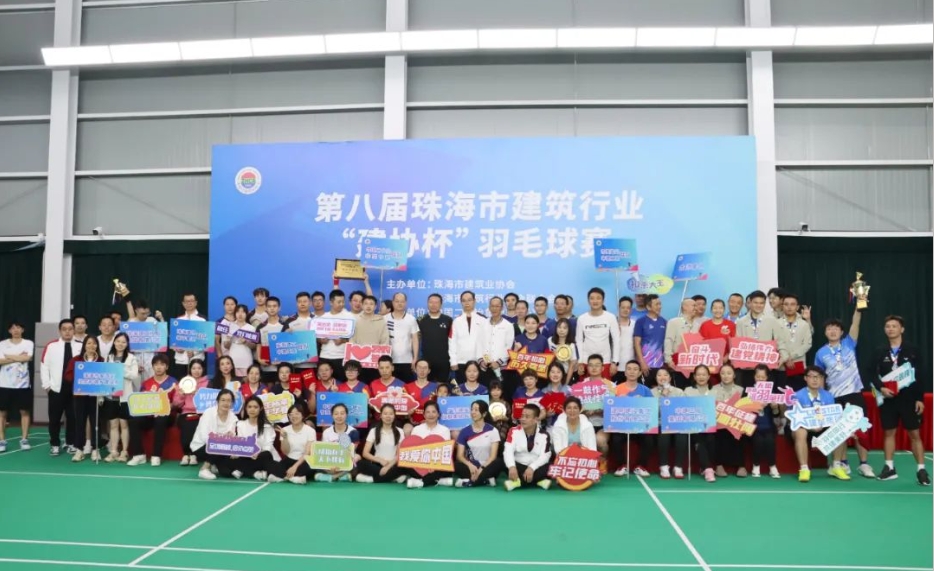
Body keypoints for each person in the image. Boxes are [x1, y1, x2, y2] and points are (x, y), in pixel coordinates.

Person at [813, 300, 874, 480]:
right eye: (829, 328)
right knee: (840, 430)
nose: (832, 331)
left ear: (841, 332)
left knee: (860, 430)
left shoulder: (849, 343)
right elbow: (819, 378)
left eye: (836, 328)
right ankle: (843, 463)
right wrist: (820, 399)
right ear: (825, 332)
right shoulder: (820, 353)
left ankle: (864, 464)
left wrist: (858, 308)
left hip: (854, 393)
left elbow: (856, 324)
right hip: (834, 396)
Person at [871, 315, 929, 485]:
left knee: (914, 434)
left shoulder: (913, 350)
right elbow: (870, 372)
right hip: (888, 399)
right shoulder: (880, 351)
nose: (890, 329)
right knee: (889, 432)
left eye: (894, 326)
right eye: (888, 326)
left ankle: (921, 470)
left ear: (901, 329)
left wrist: (920, 398)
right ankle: (889, 468)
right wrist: (881, 387)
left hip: (909, 399)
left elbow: (920, 375)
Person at [41, 319, 83, 456]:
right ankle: (54, 444)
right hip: (56, 389)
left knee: (73, 418)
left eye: (70, 329)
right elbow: (44, 366)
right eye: (64, 329)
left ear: (74, 330)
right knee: (54, 419)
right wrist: (47, 386)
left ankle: (70, 443)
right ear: (60, 331)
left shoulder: (80, 346)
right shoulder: (51, 346)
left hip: (75, 390)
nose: (67, 332)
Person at [127, 354, 177, 467]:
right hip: (149, 416)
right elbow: (141, 403)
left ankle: (156, 455)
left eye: (162, 364)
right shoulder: (146, 383)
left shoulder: (173, 383)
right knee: (134, 421)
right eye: (156, 364)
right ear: (152, 367)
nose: (159, 367)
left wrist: (168, 405)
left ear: (167, 367)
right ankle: (139, 455)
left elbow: (178, 403)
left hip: (166, 415)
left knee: (160, 419)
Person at [735, 290, 790, 388]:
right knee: (749, 396)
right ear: (750, 303)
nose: (758, 305)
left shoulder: (772, 320)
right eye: (755, 302)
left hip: (767, 369)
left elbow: (780, 342)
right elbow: (737, 344)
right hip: (748, 369)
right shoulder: (741, 322)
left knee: (767, 396)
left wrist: (783, 358)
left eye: (762, 303)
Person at [63, 336, 104, 462]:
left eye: (94, 343)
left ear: (97, 346)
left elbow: (106, 376)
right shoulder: (76, 360)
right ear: (84, 345)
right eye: (89, 343)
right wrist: (81, 375)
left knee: (96, 423)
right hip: (80, 396)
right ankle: (79, 449)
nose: (91, 346)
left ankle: (95, 449)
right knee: (79, 422)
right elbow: (68, 375)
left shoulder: (101, 360)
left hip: (95, 397)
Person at [792, 367, 836, 483]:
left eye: (818, 377)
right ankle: (804, 469)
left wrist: (823, 424)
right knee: (800, 432)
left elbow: (832, 417)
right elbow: (793, 418)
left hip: (822, 426)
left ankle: (836, 466)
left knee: (839, 428)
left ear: (822, 379)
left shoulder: (828, 396)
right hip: (804, 427)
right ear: (805, 378)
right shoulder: (797, 395)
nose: (815, 380)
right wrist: (810, 427)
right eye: (812, 376)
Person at [613, 360, 654, 477]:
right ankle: (622, 465)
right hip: (622, 426)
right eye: (629, 369)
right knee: (615, 438)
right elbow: (610, 408)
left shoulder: (645, 390)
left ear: (640, 373)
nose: (632, 372)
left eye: (635, 369)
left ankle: (640, 466)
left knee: (649, 438)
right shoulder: (616, 389)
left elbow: (652, 408)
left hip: (640, 427)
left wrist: (642, 403)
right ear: (625, 372)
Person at [103, 332, 139, 463]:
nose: (120, 344)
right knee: (113, 424)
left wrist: (119, 369)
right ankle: (113, 451)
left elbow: (134, 375)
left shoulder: (131, 358)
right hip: (111, 396)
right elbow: (105, 375)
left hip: (125, 396)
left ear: (127, 344)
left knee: (124, 424)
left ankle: (124, 451)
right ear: (114, 342)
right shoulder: (109, 357)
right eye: (118, 341)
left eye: (123, 342)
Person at [0, 320, 34, 453]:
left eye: (18, 327)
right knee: (2, 413)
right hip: (4, 384)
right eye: (13, 328)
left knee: (24, 412)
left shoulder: (28, 343)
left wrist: (8, 357)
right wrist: (18, 357)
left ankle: (24, 439)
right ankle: (2, 440)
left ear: (22, 330)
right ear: (9, 330)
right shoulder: (2, 344)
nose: (16, 330)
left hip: (23, 384)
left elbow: (27, 358)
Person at [191, 389, 239, 480]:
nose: (226, 403)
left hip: (223, 448)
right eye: (223, 400)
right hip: (202, 446)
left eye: (229, 401)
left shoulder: (233, 417)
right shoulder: (208, 413)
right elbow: (205, 436)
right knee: (219, 444)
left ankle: (214, 464)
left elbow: (232, 436)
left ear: (232, 403)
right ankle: (204, 468)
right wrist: (221, 439)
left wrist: (229, 440)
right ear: (218, 401)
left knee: (226, 472)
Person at [503, 403, 553, 491]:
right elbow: (508, 450)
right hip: (519, 466)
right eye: (522, 416)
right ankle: (539, 481)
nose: (523, 419)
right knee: (502, 462)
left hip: (536, 467)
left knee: (553, 466)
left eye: (527, 417)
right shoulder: (513, 431)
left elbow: (545, 456)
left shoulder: (544, 435)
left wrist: (532, 467)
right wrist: (511, 467)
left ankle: (518, 482)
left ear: (536, 419)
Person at [228, 396, 279, 481]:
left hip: (261, 457)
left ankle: (243, 470)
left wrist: (257, 453)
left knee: (266, 455)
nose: (252, 409)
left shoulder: (267, 426)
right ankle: (254, 473)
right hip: (246, 456)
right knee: (229, 458)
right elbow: (239, 444)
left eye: (255, 407)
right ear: (246, 408)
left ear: (261, 409)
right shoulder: (239, 424)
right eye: (249, 407)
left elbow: (268, 446)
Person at [454, 400, 503, 487]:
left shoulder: (493, 430)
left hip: (487, 465)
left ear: (484, 414)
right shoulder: (464, 431)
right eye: (472, 409)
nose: (473, 412)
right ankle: (485, 481)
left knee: (499, 462)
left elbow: (493, 456)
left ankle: (470, 481)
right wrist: (470, 465)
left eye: (476, 410)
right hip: (471, 466)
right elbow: (459, 456)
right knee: (456, 465)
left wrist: (482, 468)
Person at [406, 401, 454, 488]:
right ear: (424, 415)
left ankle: (421, 482)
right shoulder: (417, 429)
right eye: (428, 412)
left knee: (450, 465)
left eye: (433, 412)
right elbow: (413, 451)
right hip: (420, 463)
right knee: (405, 464)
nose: (431, 415)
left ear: (438, 414)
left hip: (438, 464)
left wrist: (434, 465)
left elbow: (445, 453)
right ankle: (438, 480)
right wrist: (424, 465)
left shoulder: (445, 430)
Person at [171, 359, 210, 466]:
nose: (196, 371)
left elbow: (210, 402)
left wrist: (199, 394)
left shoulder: (208, 383)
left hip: (202, 413)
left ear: (203, 369)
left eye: (199, 368)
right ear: (190, 370)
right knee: (186, 424)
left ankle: (193, 455)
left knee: (195, 424)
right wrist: (181, 395)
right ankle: (186, 454)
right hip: (186, 412)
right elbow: (176, 404)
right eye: (194, 368)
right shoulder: (184, 382)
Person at [575, 287, 620, 380]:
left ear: (603, 300)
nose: (595, 301)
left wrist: (615, 362)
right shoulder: (582, 318)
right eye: (592, 298)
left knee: (605, 388)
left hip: (605, 361)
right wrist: (580, 361)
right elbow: (579, 340)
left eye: (598, 298)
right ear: (588, 301)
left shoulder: (610, 317)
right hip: (586, 361)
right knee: (586, 388)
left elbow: (616, 339)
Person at [650, 368, 687, 479]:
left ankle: (678, 467)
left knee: (682, 435)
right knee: (663, 434)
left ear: (670, 378)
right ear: (656, 378)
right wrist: (663, 397)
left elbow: (683, 409)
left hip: (677, 422)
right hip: (660, 422)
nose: (662, 377)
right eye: (659, 375)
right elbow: (653, 411)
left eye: (665, 375)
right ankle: (664, 466)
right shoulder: (651, 392)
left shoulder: (679, 392)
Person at [357, 404, 406, 483]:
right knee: (360, 464)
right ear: (381, 416)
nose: (388, 416)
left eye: (391, 414)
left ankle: (372, 479)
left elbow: (399, 454)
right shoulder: (374, 431)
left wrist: (388, 466)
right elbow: (365, 453)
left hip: (392, 464)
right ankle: (392, 477)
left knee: (405, 467)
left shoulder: (400, 431)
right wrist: (380, 460)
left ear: (394, 416)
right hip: (377, 464)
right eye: (385, 414)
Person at [268, 405, 317, 484]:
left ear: (302, 415)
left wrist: (294, 467)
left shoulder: (310, 431)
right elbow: (285, 452)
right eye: (291, 414)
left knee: (310, 467)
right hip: (289, 459)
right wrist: (285, 437)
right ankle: (294, 477)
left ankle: (285, 476)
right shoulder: (284, 430)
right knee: (272, 466)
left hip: (303, 460)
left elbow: (307, 453)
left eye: (297, 413)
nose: (294, 416)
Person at [685, 365, 717, 482]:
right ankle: (708, 469)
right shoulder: (688, 391)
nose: (701, 377)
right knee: (700, 440)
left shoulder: (715, 391)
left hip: (712, 425)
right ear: (694, 376)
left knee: (711, 439)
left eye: (704, 374)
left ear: (708, 376)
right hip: (694, 426)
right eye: (698, 374)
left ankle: (705, 467)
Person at [449, 291, 490, 386]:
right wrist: (453, 361)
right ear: (461, 303)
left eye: (469, 300)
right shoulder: (456, 321)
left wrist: (487, 360)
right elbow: (452, 342)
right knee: (462, 390)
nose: (467, 303)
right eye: (464, 301)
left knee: (480, 390)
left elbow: (488, 342)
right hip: (461, 362)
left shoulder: (483, 319)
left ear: (474, 301)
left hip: (480, 362)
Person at [712, 363, 745, 477]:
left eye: (729, 373)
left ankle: (741, 465)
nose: (726, 376)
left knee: (739, 431)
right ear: (719, 375)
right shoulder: (713, 389)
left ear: (734, 375)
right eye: (723, 373)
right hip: (719, 421)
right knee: (719, 432)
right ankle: (719, 465)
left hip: (735, 422)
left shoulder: (741, 390)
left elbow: (744, 409)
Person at [749, 364, 781, 479]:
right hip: (753, 426)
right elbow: (743, 411)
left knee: (769, 440)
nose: (760, 379)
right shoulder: (749, 392)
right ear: (754, 377)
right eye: (758, 377)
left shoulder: (772, 393)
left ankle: (772, 466)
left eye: (763, 377)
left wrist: (775, 408)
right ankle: (756, 465)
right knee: (758, 440)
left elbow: (776, 415)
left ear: (767, 378)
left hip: (768, 426)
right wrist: (754, 406)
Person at [317, 403, 361, 483]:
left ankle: (333, 477)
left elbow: (351, 452)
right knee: (315, 462)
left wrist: (340, 464)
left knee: (357, 457)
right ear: (332, 415)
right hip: (330, 462)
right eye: (336, 414)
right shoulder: (327, 432)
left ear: (346, 415)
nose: (339, 416)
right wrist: (331, 465)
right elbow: (324, 452)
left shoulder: (353, 432)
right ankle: (342, 476)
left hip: (346, 460)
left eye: (342, 413)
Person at [316, 290, 353, 381]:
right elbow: (316, 338)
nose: (341, 304)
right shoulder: (322, 318)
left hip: (341, 356)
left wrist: (343, 340)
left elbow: (354, 337)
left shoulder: (349, 317)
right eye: (339, 302)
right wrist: (321, 340)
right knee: (323, 383)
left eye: (343, 302)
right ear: (331, 302)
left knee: (341, 383)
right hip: (325, 356)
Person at [664, 298, 701, 389]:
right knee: (679, 390)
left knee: (691, 390)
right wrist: (668, 360)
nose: (696, 308)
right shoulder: (674, 322)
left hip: (692, 365)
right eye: (694, 305)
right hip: (677, 363)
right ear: (685, 307)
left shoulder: (697, 325)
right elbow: (669, 340)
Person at [418, 293, 453, 385]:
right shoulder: (420, 320)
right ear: (427, 303)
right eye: (431, 302)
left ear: (441, 304)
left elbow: (452, 340)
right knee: (426, 386)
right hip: (426, 361)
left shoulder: (448, 320)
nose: (433, 305)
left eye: (436, 302)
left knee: (442, 388)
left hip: (443, 361)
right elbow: (416, 339)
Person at [780, 293, 813, 392]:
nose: (789, 307)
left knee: (799, 396)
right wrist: (785, 358)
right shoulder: (776, 323)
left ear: (797, 307)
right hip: (780, 367)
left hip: (798, 367)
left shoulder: (804, 324)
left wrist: (790, 357)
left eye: (792, 304)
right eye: (786, 304)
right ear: (782, 306)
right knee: (781, 397)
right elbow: (775, 343)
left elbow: (807, 344)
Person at [171, 292, 206, 382]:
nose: (189, 303)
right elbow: (174, 340)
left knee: (197, 385)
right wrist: (176, 348)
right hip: (181, 360)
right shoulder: (178, 320)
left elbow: (205, 341)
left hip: (197, 360)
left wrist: (194, 352)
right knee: (182, 384)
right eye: (187, 301)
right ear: (183, 303)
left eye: (191, 301)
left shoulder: (202, 320)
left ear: (196, 303)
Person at [482, 296, 515, 391]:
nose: (494, 309)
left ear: (502, 308)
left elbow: (509, 347)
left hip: (501, 368)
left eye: (497, 306)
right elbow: (480, 343)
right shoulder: (483, 323)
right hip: (485, 366)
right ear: (489, 308)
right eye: (492, 306)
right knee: (486, 393)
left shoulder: (508, 325)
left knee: (501, 393)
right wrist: (482, 360)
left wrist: (498, 362)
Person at [386, 292, 419, 382]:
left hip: (407, 360)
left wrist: (415, 358)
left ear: (406, 303)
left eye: (402, 301)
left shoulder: (411, 319)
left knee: (406, 387)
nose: (399, 304)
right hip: (389, 361)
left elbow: (415, 339)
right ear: (393, 302)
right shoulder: (385, 318)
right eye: (397, 301)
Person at [633, 294, 667, 382]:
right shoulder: (640, 321)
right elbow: (637, 343)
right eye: (657, 304)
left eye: (660, 304)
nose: (660, 306)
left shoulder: (664, 321)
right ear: (648, 307)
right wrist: (642, 362)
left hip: (660, 365)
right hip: (645, 365)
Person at [256, 296, 287, 382]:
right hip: (266, 367)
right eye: (269, 306)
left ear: (279, 308)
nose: (272, 309)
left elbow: (288, 346)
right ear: (265, 308)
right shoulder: (260, 326)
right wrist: (259, 359)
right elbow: (259, 344)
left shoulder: (285, 325)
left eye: (274, 306)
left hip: (282, 368)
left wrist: (282, 360)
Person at [403, 359, 438, 433]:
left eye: (425, 368)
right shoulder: (406, 387)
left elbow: (440, 407)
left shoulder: (436, 387)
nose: (422, 370)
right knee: (407, 430)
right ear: (415, 370)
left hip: (431, 421)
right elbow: (404, 409)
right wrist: (408, 417)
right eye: (419, 367)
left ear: (429, 371)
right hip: (411, 422)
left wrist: (429, 420)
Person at [227, 304, 257, 377]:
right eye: (238, 312)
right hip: (233, 359)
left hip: (246, 360)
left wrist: (246, 342)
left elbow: (254, 346)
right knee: (233, 382)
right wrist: (228, 339)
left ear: (246, 314)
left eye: (243, 312)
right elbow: (226, 346)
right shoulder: (230, 326)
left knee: (246, 381)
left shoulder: (251, 328)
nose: (240, 314)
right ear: (235, 313)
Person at [617, 297, 636, 377]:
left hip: (631, 367)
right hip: (615, 366)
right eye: (623, 307)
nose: (625, 310)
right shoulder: (612, 323)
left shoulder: (635, 324)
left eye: (628, 308)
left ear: (631, 309)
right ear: (619, 308)